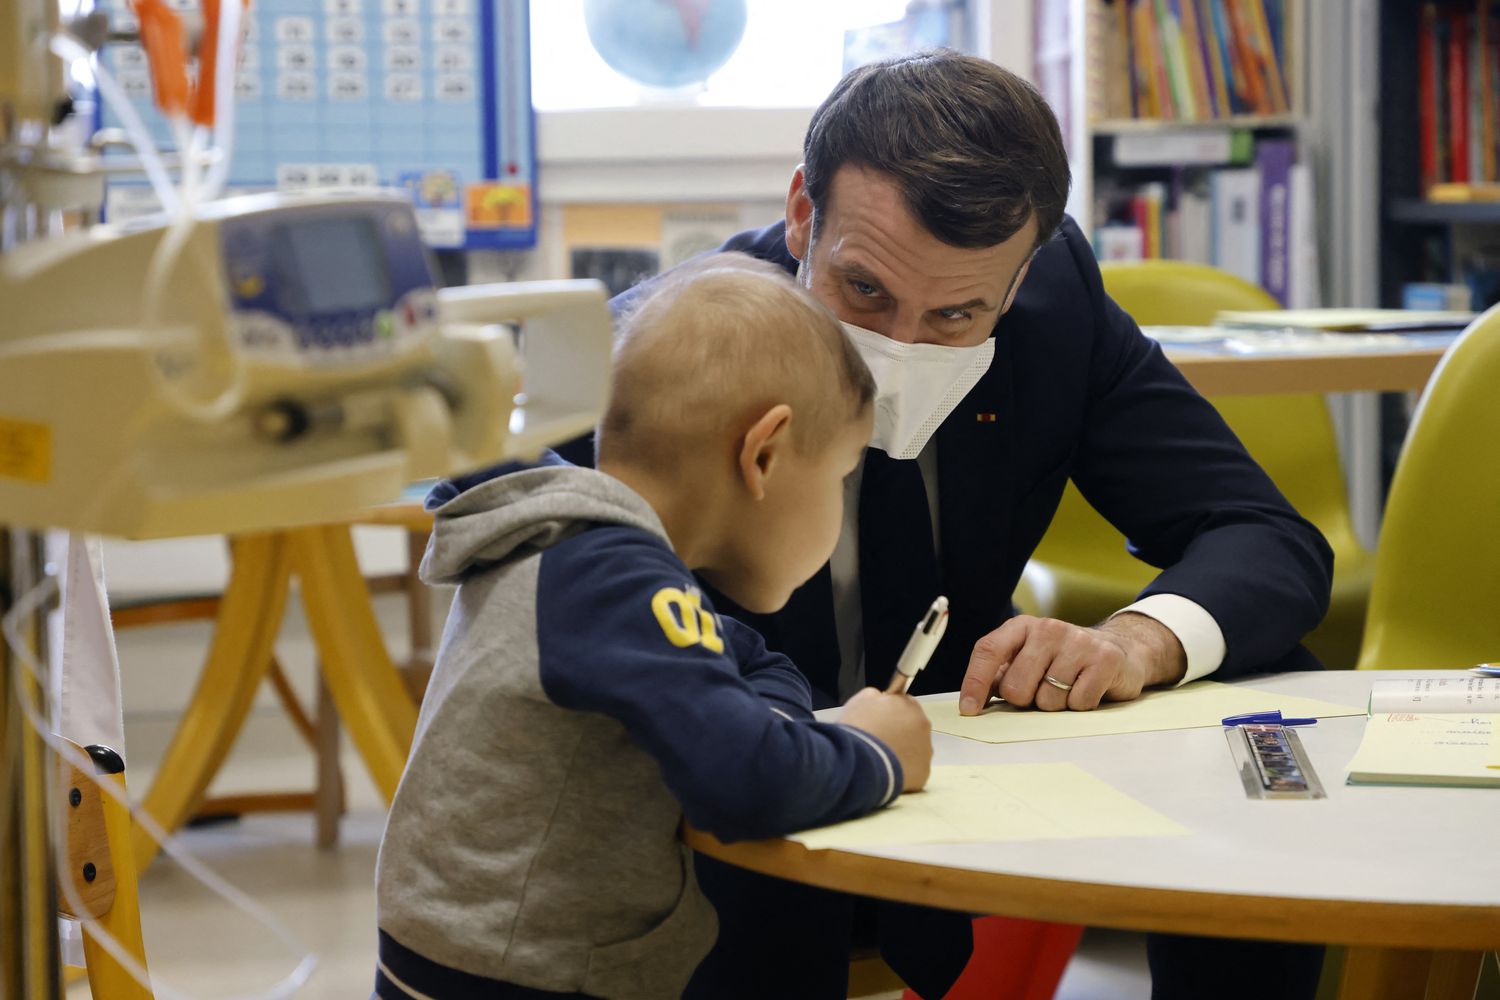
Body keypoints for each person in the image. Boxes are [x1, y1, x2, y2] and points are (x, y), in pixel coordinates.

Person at [586, 50, 1333, 1000]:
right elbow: (512, 507)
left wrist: (1138, 641)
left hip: (963, 747)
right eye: (864, 292)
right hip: (745, 786)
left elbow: (1264, 536)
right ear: (803, 217)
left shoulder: (1059, 311)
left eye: (957, 313)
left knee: (1266, 681)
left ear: (1018, 280)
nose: (901, 345)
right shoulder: (679, 339)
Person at [372, 255, 934, 1000]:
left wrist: (760, 716)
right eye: (838, 475)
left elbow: (748, 660)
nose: (837, 505)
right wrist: (874, 752)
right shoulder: (614, 578)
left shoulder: (577, 548)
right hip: (522, 982)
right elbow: (747, 783)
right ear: (763, 454)